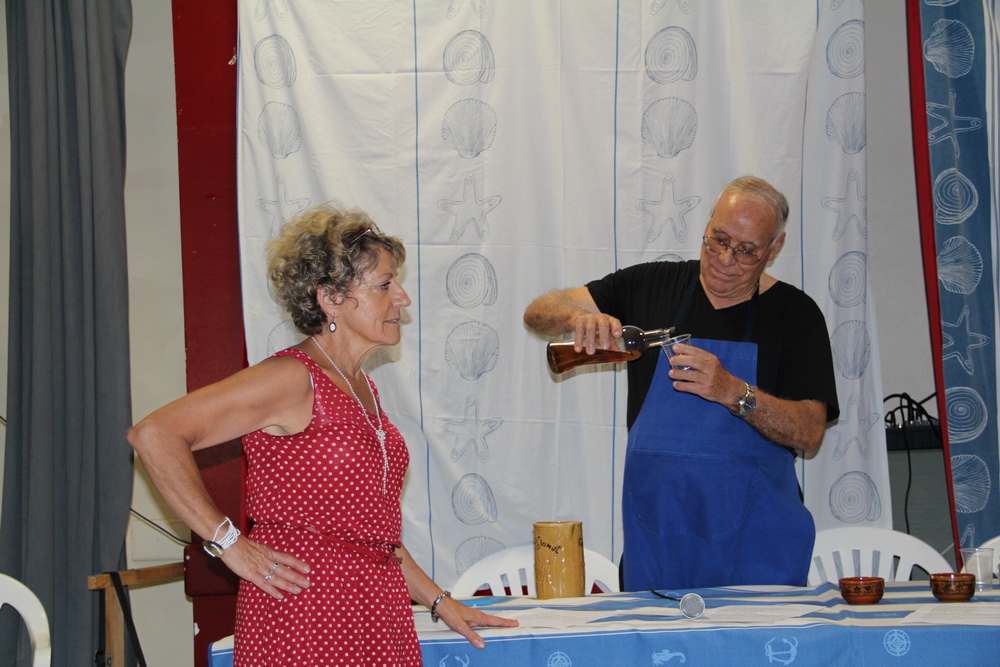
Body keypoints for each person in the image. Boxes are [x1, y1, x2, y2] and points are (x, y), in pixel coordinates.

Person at [129, 205, 516, 665]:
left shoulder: (361, 386)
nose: (403, 298)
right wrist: (229, 543)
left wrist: (440, 602)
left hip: (375, 606)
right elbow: (155, 434)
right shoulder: (292, 377)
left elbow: (373, 533)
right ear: (330, 298)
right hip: (307, 609)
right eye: (385, 285)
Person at [523, 176, 840, 592]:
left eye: (746, 250)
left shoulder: (796, 314)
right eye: (718, 240)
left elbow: (810, 432)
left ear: (774, 248)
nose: (726, 258)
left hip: (757, 541)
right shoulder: (651, 285)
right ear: (707, 226)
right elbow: (538, 312)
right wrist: (578, 318)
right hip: (662, 535)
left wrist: (733, 392)